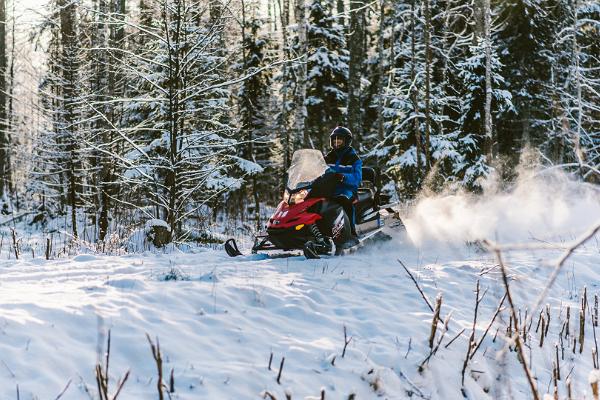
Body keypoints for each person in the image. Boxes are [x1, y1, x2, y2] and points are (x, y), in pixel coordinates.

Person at [324, 126, 362, 238]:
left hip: (347, 189)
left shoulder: (353, 159)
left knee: (344, 200)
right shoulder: (328, 157)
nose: (336, 142)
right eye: (334, 140)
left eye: (339, 139)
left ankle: (351, 232)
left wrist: (343, 177)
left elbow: (357, 177)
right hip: (328, 189)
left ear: (346, 141)